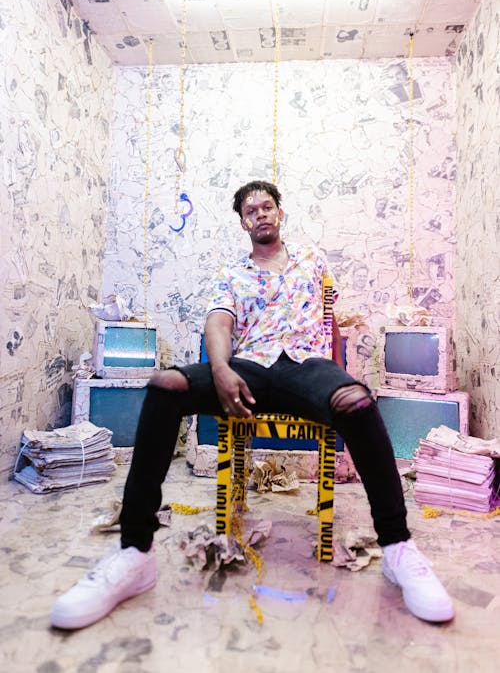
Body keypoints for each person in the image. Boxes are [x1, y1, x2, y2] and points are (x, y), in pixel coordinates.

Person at [50, 180, 454, 629]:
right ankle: (134, 553)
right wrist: (221, 369)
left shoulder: (312, 261)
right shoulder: (233, 273)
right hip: (250, 368)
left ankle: (398, 550)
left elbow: (330, 323)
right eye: (250, 210)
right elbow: (218, 321)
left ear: (279, 212)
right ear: (243, 222)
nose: (260, 214)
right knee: (165, 384)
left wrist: (338, 373)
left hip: (306, 366)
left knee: (357, 400)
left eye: (267, 206)